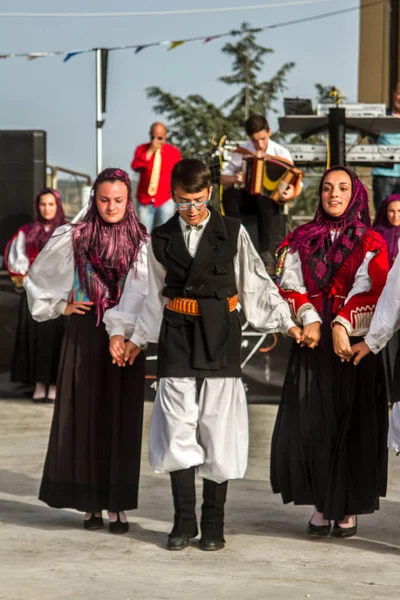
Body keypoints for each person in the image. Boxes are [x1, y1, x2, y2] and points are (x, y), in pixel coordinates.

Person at [112, 158, 301, 551]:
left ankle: (214, 522)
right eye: (182, 201)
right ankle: (184, 521)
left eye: (197, 200)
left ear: (209, 194)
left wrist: (288, 323)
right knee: (177, 426)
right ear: (172, 196)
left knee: (218, 427)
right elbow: (149, 296)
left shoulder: (232, 231)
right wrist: (133, 336)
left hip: (221, 332)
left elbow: (255, 284)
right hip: (178, 334)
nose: (191, 209)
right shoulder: (159, 238)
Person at [24, 168, 148, 533]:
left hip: (125, 340)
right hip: (85, 334)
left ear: (129, 200)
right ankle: (90, 505)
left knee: (120, 419)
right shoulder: (73, 236)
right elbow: (37, 278)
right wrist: (60, 306)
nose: (111, 207)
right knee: (85, 417)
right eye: (104, 199)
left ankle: (117, 505)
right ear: (94, 198)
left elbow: (150, 293)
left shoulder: (143, 240)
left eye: (119, 200)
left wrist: (135, 337)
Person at [271, 166, 389, 539]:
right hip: (312, 340)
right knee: (314, 424)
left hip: (353, 344)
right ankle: (322, 504)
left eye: (341, 188)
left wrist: (341, 323)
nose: (333, 195)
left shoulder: (373, 241)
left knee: (352, 424)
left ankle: (348, 506)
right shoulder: (300, 238)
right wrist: (309, 317)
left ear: (355, 195)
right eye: (326, 188)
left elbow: (373, 288)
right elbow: (287, 284)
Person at [4, 188, 66, 403]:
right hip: (33, 293)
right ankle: (39, 384)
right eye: (43, 204)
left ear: (57, 206)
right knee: (35, 340)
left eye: (51, 204)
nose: (46, 208)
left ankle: (54, 385)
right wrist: (28, 280)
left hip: (57, 295)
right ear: (37, 206)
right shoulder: (27, 230)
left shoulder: (66, 231)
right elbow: (16, 258)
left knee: (54, 340)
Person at [220, 113, 300, 273]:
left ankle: (265, 251)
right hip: (247, 199)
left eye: (262, 139)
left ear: (269, 132)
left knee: (264, 198)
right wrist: (236, 178)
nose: (259, 144)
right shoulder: (243, 150)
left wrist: (289, 194)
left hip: (269, 203)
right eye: (255, 140)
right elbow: (223, 178)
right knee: (229, 195)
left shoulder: (281, 152)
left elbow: (296, 182)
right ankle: (234, 241)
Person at [373, 193, 400, 404]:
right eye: (391, 210)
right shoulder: (376, 235)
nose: (395, 215)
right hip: (383, 301)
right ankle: (387, 395)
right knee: (384, 349)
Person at [131, 121, 181, 232]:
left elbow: (179, 176)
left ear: (165, 136)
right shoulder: (142, 149)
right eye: (153, 137)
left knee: (167, 232)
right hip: (145, 199)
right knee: (144, 233)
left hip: (166, 198)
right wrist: (150, 151)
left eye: (159, 138)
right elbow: (135, 166)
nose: (155, 140)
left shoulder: (173, 152)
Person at [372, 82, 400, 211]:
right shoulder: (381, 116)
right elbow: (371, 142)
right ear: (394, 94)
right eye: (399, 93)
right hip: (383, 174)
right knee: (382, 216)